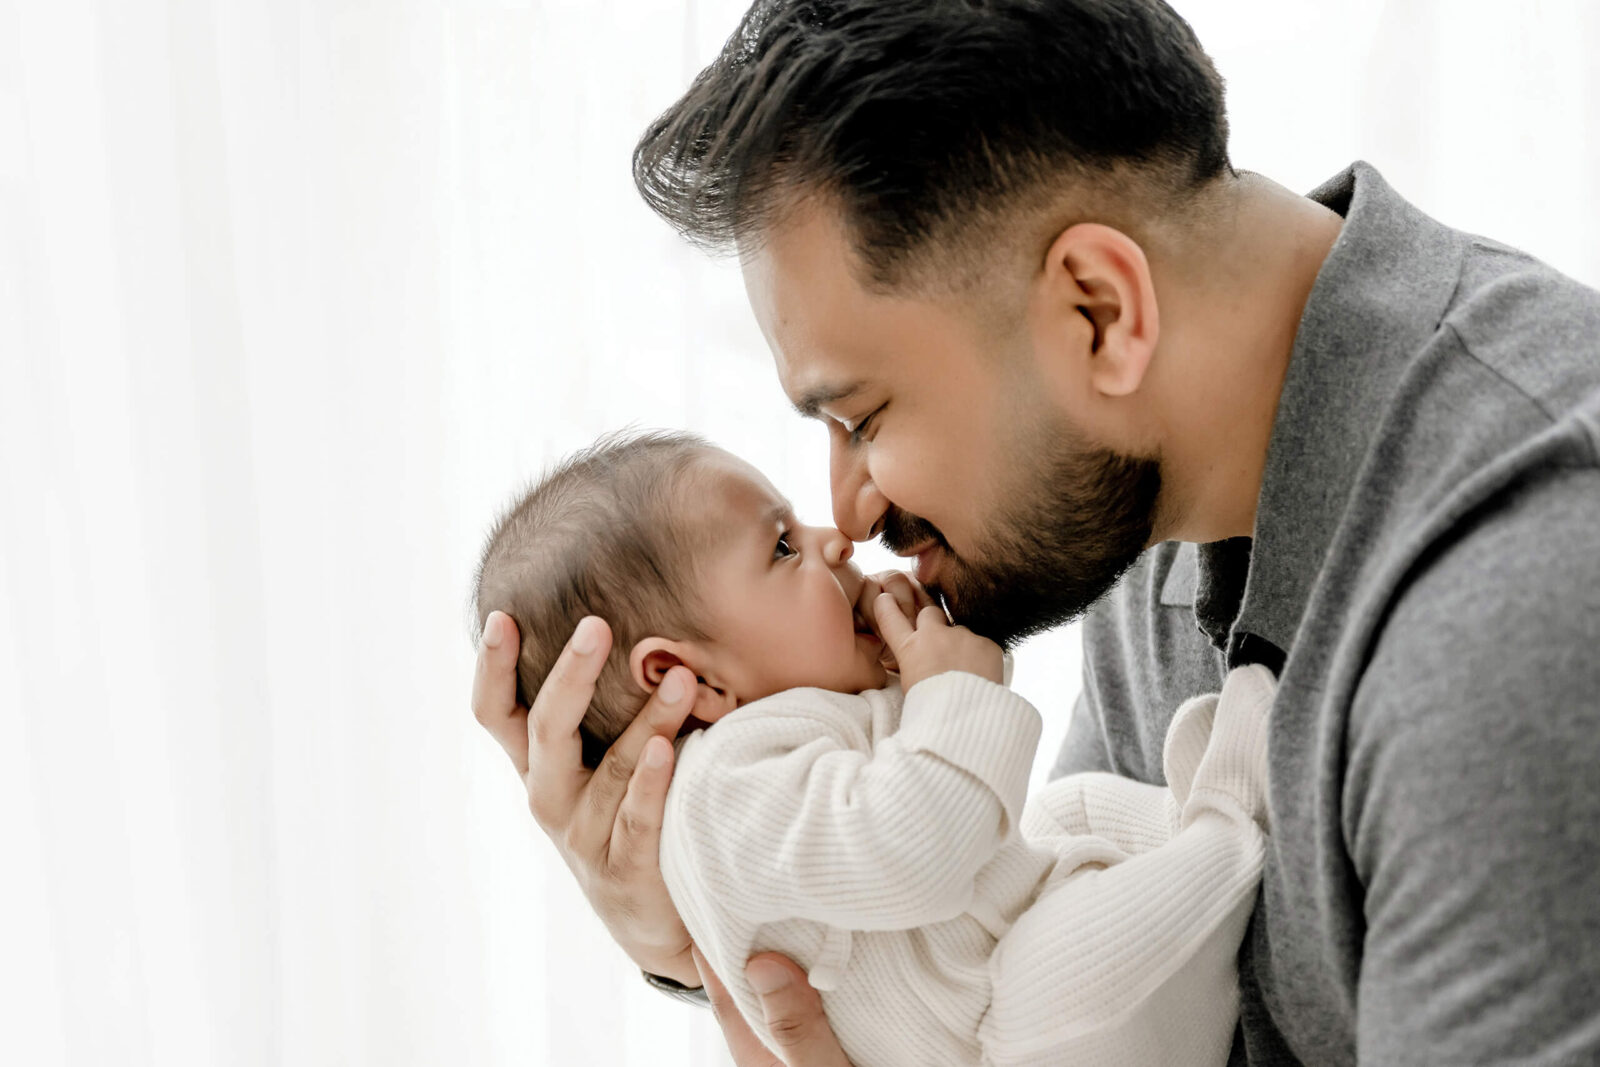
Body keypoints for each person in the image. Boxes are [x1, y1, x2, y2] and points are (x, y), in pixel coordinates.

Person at [471, 1, 1600, 1063]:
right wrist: (689, 924)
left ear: (1097, 312)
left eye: (863, 418)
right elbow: (1044, 962)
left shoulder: (1510, 622)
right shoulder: (1150, 485)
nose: (850, 510)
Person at [472, 429, 1275, 1066]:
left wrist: (924, 661)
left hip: (1002, 954)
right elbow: (919, 846)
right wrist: (952, 690)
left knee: (1071, 807)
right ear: (687, 678)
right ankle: (1232, 817)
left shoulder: (788, 737)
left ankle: (1188, 823)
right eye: (783, 547)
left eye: (868, 414)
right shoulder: (719, 793)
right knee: (1076, 965)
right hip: (1016, 1035)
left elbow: (946, 795)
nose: (836, 536)